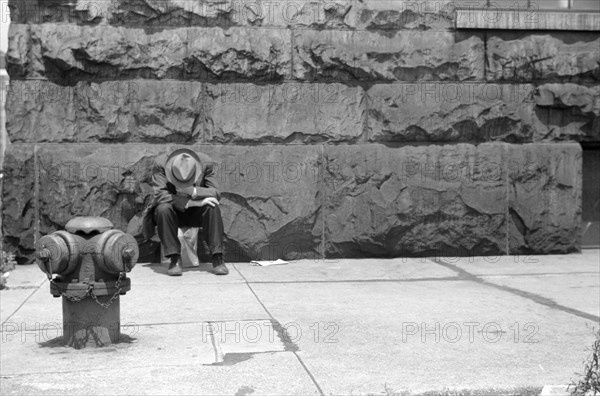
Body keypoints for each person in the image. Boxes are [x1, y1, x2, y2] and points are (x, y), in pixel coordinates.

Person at [145, 148, 228, 276]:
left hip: (195, 213)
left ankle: (217, 257)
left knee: (212, 206)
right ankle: (174, 258)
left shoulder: (205, 163)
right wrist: (193, 202)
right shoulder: (161, 163)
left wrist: (193, 191)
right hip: (172, 212)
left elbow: (216, 193)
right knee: (162, 209)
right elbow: (160, 195)